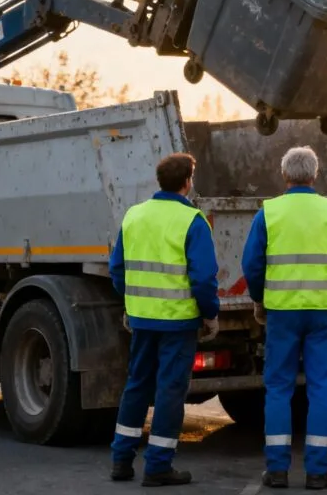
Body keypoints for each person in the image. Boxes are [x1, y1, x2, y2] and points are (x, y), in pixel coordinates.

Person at [241, 146, 327, 490]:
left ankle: (277, 470)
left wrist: (260, 300)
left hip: (282, 313)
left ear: (285, 176)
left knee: (278, 387)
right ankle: (318, 472)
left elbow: (251, 265)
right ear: (315, 174)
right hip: (323, 313)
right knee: (321, 388)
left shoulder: (269, 213)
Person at [108, 152, 221, 487]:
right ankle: (157, 465)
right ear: (187, 182)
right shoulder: (192, 221)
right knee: (170, 391)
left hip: (142, 320)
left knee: (137, 386)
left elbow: (118, 270)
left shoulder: (134, 216)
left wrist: (133, 304)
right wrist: (210, 314)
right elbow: (203, 279)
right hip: (178, 323)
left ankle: (121, 460)